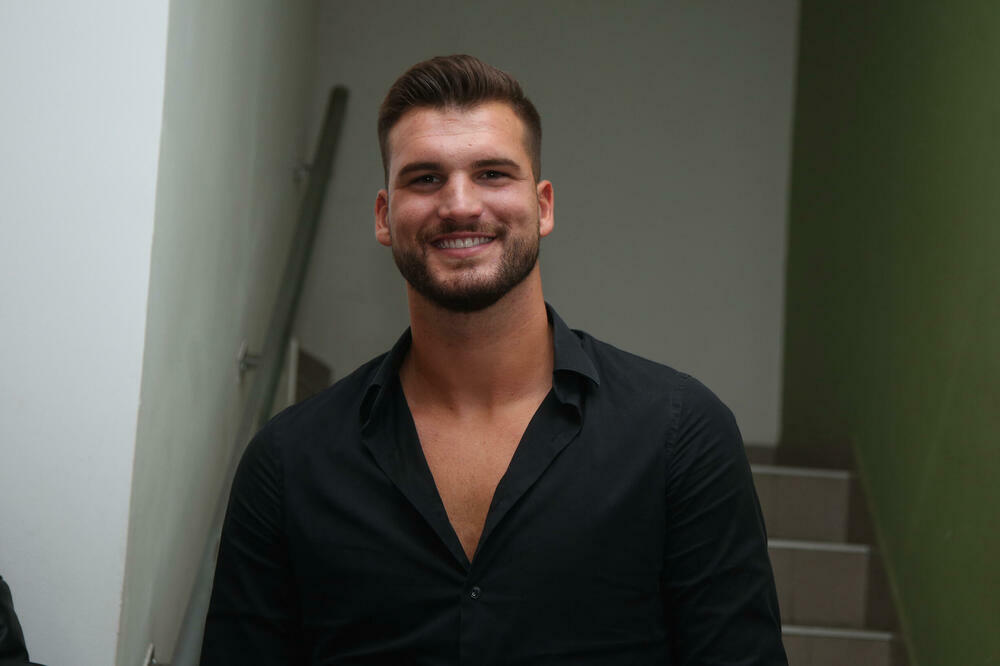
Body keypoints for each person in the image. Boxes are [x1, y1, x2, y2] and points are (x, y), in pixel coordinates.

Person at [202, 54, 787, 665]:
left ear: (544, 206)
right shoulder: (289, 462)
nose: (459, 204)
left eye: (491, 174)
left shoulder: (680, 434)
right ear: (383, 217)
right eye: (425, 178)